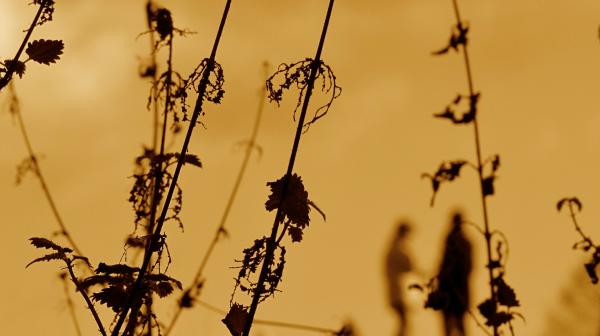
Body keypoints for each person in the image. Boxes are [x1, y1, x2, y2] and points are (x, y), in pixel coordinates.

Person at [437, 212, 472, 336]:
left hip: (451, 289)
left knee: (450, 325)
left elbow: (444, 264)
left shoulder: (451, 239)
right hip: (460, 289)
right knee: (459, 324)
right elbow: (469, 268)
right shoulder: (466, 242)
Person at [385, 222, 413, 336]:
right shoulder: (396, 249)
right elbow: (409, 264)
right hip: (397, 292)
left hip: (397, 291)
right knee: (404, 322)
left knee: (404, 322)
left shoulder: (394, 247)